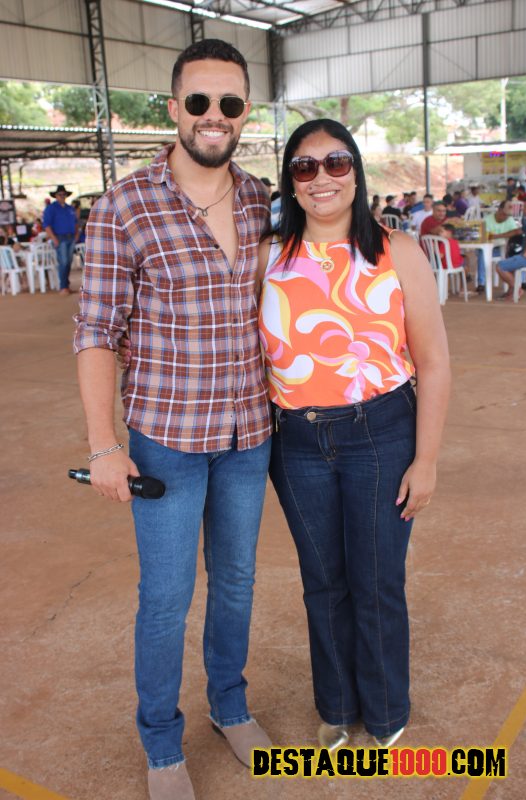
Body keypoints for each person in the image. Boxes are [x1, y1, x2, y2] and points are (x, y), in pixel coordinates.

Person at [74, 39, 273, 800]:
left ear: (244, 112)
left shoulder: (258, 199)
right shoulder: (123, 205)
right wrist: (103, 445)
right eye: (199, 101)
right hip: (167, 441)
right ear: (173, 109)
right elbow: (97, 332)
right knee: (164, 599)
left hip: (249, 435)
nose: (213, 116)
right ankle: (161, 743)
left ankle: (230, 705)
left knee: (236, 582)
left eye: (229, 102)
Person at [257, 119, 450, 752]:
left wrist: (426, 461)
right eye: (305, 166)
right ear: (291, 180)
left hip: (382, 435)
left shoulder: (398, 251)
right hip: (296, 443)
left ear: (356, 172)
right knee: (323, 582)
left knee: (376, 581)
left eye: (335, 163)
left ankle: (387, 707)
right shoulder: (267, 256)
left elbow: (434, 363)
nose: (321, 178)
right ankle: (337, 706)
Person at [495, 195, 526, 300]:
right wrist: (498, 236)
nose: (523, 209)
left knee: (500, 266)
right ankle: (512, 290)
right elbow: (518, 231)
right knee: (510, 263)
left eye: (525, 207)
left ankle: (517, 290)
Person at [43, 184, 78, 295]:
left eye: (64, 194)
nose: (62, 196)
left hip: (70, 237)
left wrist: (76, 235)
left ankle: (66, 285)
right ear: (56, 196)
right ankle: (63, 286)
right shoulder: (51, 208)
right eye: (60, 194)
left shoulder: (70, 208)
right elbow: (46, 225)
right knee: (63, 262)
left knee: (68, 262)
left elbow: (76, 222)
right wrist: (54, 238)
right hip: (59, 237)